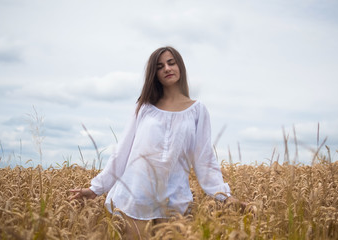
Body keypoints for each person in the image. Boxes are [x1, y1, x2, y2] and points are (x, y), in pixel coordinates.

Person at [69, 46, 245, 238]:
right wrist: (96, 188)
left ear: (180, 66)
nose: (167, 69)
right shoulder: (144, 107)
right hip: (135, 197)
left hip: (174, 200)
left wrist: (224, 196)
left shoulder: (198, 110)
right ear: (155, 74)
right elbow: (122, 150)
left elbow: (205, 159)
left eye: (171, 63)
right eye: (160, 67)